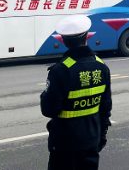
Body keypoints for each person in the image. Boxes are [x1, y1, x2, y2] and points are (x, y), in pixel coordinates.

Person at [41, 15, 112, 170]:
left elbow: (49, 109)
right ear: (87, 37)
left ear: (63, 41)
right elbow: (105, 107)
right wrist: (101, 136)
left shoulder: (61, 70)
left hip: (64, 144)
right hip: (92, 140)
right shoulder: (101, 67)